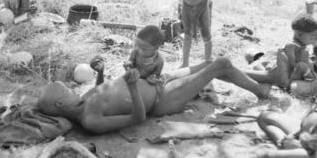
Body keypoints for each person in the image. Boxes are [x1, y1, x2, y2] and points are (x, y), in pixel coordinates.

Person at [167, 32, 317, 158]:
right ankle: (285, 146)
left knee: (264, 157)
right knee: (265, 116)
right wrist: (295, 135)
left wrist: (313, 144)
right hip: (309, 135)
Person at [38, 55, 275, 134]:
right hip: (162, 99)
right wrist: (132, 86)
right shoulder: (90, 120)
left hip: (157, 81)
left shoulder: (83, 99)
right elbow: (137, 119)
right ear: (60, 103)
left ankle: (268, 78)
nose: (71, 88)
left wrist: (101, 73)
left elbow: (105, 90)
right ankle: (260, 91)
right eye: (65, 90)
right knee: (220, 63)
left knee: (211, 63)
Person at [243, 14, 317, 90]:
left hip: (282, 72)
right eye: (313, 37)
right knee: (260, 67)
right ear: (299, 34)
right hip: (277, 70)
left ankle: (253, 60)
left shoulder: (304, 48)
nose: (316, 39)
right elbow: (291, 64)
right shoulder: (291, 46)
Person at [91, 25, 165, 87]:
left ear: (156, 48)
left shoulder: (159, 61)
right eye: (137, 46)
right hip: (131, 79)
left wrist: (152, 78)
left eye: (144, 49)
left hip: (145, 86)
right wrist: (128, 65)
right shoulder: (135, 52)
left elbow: (156, 76)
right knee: (112, 87)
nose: (139, 50)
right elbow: (130, 63)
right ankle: (100, 75)